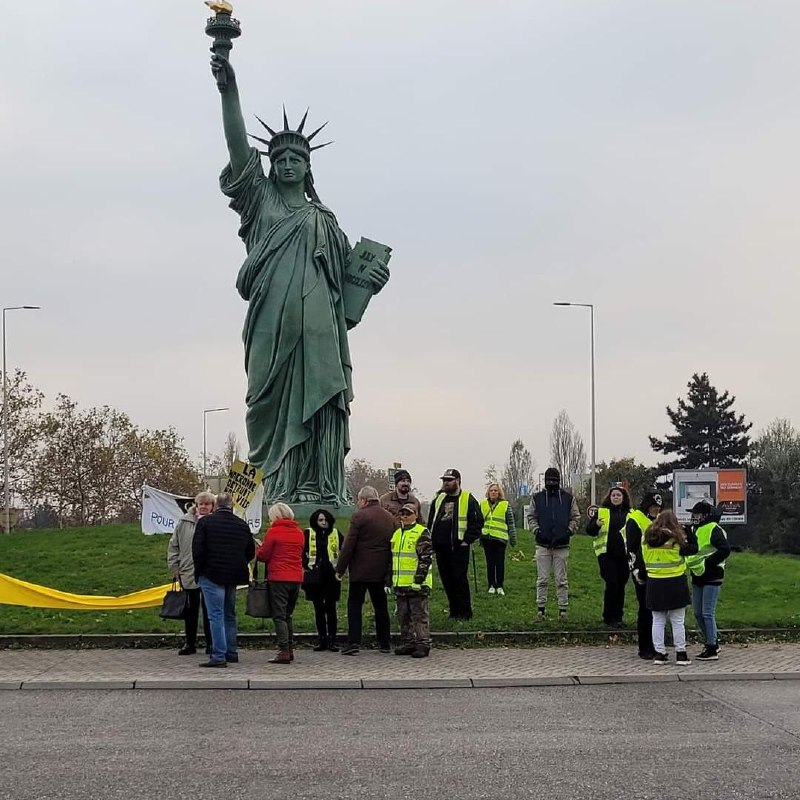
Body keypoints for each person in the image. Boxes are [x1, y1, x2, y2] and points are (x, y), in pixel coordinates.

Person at [210, 46, 390, 506]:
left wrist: (371, 280)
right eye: (280, 157)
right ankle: (263, 495)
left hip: (321, 336)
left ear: (309, 166)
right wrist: (228, 87)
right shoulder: (259, 200)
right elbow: (235, 144)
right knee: (263, 405)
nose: (288, 163)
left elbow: (347, 295)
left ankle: (320, 487)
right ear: (270, 165)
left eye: (297, 157)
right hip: (271, 326)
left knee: (324, 407)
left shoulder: (325, 219)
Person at [192, 492, 255, 668]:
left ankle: (218, 655)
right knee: (229, 614)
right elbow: (250, 552)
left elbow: (197, 550)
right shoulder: (242, 525)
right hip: (233, 575)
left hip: (211, 574)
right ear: (232, 505)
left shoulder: (205, 523)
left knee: (216, 615)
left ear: (216, 505)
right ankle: (231, 651)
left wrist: (200, 571)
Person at [335, 486, 395, 655]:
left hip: (360, 572)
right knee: (380, 606)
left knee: (354, 606)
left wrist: (340, 569)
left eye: (358, 501)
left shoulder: (359, 517)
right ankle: (384, 643)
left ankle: (353, 642)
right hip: (381, 570)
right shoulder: (389, 518)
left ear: (363, 500)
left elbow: (348, 545)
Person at [641, 510, 698, 665]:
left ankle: (659, 654)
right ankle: (681, 654)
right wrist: (687, 531)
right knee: (678, 621)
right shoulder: (676, 539)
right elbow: (694, 548)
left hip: (654, 582)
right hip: (675, 582)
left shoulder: (647, 539)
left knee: (657, 620)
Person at [427, 468, 483, 621]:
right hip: (441, 547)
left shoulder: (467, 498)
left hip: (458, 547)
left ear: (457, 481)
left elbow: (477, 521)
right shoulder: (439, 499)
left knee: (459, 579)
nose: (446, 483)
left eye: (449, 480)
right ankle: (454, 611)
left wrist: (467, 540)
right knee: (447, 580)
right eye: (444, 480)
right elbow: (431, 521)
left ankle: (465, 612)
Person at [527, 468, 580, 621]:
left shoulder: (568, 498)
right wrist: (537, 531)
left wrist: (568, 532)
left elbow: (575, 517)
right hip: (542, 544)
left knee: (561, 580)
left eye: (554, 481)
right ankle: (540, 610)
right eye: (549, 481)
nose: (551, 483)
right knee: (542, 579)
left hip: (562, 544)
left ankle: (563, 610)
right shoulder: (537, 498)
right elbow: (531, 516)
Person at [167, 491, 216, 656]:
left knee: (210, 611)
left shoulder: (215, 522)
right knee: (190, 609)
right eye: (200, 504)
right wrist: (174, 567)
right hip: (188, 571)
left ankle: (211, 643)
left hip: (209, 572)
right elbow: (174, 545)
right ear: (196, 505)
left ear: (212, 506)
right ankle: (190, 642)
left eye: (207, 504)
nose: (203, 507)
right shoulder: (184, 522)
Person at [256, 503, 305, 664]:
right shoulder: (299, 532)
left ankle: (283, 650)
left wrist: (258, 547)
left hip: (278, 578)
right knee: (288, 615)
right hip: (296, 578)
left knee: (279, 616)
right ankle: (290, 649)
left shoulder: (273, 532)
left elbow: (264, 556)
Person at [687, 501, 732, 662]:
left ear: (705, 515)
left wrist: (707, 563)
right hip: (697, 575)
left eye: (696, 514)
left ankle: (712, 647)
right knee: (698, 613)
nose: (693, 517)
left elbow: (725, 549)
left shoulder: (714, 528)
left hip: (712, 575)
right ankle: (711, 641)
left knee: (707, 612)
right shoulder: (694, 529)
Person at [391, 504, 434, 658]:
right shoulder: (396, 534)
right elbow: (394, 559)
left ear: (415, 515)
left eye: (408, 513)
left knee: (419, 615)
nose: (404, 516)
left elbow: (426, 558)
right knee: (403, 616)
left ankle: (423, 644)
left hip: (417, 584)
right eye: (402, 513)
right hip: (400, 583)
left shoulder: (421, 532)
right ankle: (408, 643)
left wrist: (419, 579)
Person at [586, 485, 631, 628]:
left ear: (623, 498)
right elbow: (590, 530)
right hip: (607, 555)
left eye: (618, 495)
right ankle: (608, 617)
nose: (616, 497)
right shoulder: (601, 512)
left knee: (621, 586)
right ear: (609, 497)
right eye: (614, 495)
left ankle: (618, 617)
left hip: (625, 556)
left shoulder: (630, 514)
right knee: (612, 584)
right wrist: (597, 524)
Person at [626, 490, 664, 660]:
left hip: (659, 570)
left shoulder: (660, 521)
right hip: (641, 570)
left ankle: (658, 645)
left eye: (658, 507)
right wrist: (636, 571)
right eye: (653, 506)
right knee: (645, 609)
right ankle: (645, 647)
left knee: (658, 610)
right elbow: (632, 548)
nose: (656, 510)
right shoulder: (635, 520)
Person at [302, 508, 344, 652]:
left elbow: (344, 550)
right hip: (315, 576)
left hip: (332, 576)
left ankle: (333, 640)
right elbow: (300, 551)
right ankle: (322, 640)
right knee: (318, 609)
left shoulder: (336, 533)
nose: (323, 523)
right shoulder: (308, 533)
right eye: (320, 520)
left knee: (331, 609)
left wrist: (341, 569)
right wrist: (304, 566)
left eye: (325, 520)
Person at [480, 483, 517, 595]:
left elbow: (510, 522)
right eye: (491, 490)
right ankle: (491, 584)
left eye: (496, 490)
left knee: (499, 563)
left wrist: (513, 538)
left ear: (499, 492)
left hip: (500, 539)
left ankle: (500, 585)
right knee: (490, 563)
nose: (493, 492)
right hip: (487, 538)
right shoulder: (482, 504)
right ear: (488, 492)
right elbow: (478, 521)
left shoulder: (505, 505)